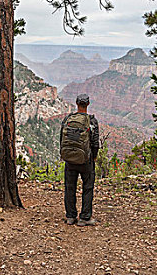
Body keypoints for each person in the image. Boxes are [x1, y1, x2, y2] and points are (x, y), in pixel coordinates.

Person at [60, 94, 99, 226]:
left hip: (70, 159)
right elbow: (95, 142)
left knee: (69, 187)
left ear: (76, 103)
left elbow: (61, 138)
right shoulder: (91, 121)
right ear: (87, 104)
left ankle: (70, 216)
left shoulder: (67, 119)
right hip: (85, 160)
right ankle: (84, 218)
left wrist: (66, 154)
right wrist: (93, 156)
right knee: (88, 187)